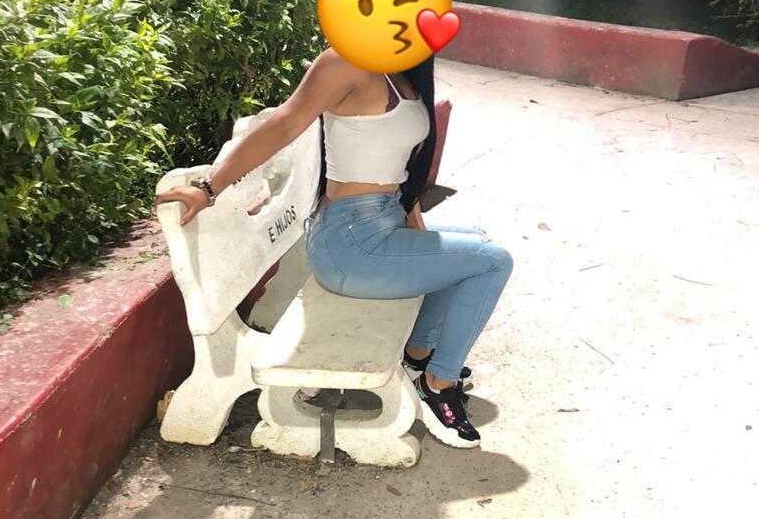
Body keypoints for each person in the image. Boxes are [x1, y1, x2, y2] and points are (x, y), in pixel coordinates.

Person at [155, 50, 512, 448]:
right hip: (351, 243)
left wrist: (419, 231)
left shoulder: (400, 70)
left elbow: (402, 170)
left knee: (478, 246)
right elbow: (284, 123)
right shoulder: (345, 64)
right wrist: (209, 188)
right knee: (492, 262)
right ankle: (437, 384)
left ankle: (418, 357)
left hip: (384, 220)